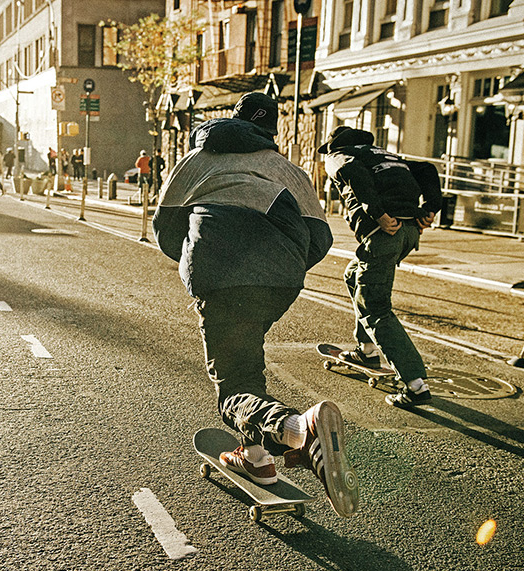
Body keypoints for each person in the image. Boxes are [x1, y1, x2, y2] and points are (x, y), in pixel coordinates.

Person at [152, 92, 359, 518]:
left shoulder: (196, 159)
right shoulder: (287, 170)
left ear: (234, 120)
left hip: (220, 273)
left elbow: (164, 226)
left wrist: (195, 258)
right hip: (279, 278)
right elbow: (321, 238)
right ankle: (257, 459)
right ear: (273, 130)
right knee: (247, 357)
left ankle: (299, 429)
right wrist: (282, 266)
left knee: (233, 384)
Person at [319, 125, 442, 408]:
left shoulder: (339, 155)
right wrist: (430, 207)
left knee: (375, 307)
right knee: (353, 275)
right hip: (408, 232)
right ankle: (366, 350)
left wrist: (377, 212)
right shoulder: (385, 155)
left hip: (384, 232)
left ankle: (415, 385)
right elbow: (426, 169)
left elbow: (353, 172)